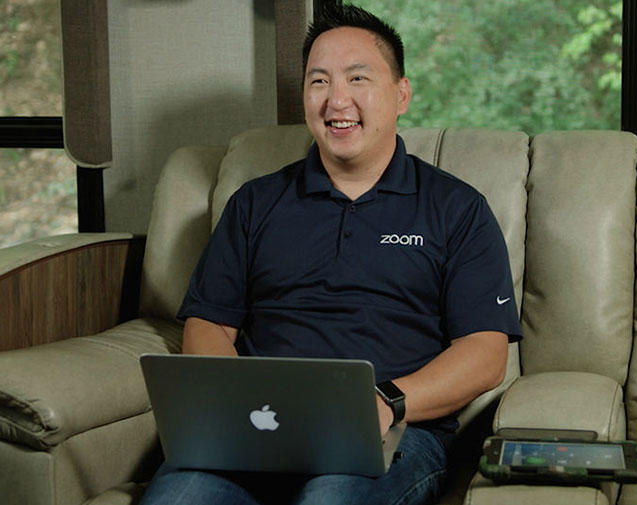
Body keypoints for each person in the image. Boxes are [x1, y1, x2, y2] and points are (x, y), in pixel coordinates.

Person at [138, 4, 521, 505]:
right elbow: (208, 324)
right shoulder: (254, 203)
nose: (336, 100)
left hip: (396, 433)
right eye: (319, 82)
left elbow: (486, 355)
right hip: (257, 431)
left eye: (357, 78)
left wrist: (385, 402)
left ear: (401, 94)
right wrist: (233, 411)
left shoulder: (457, 208)